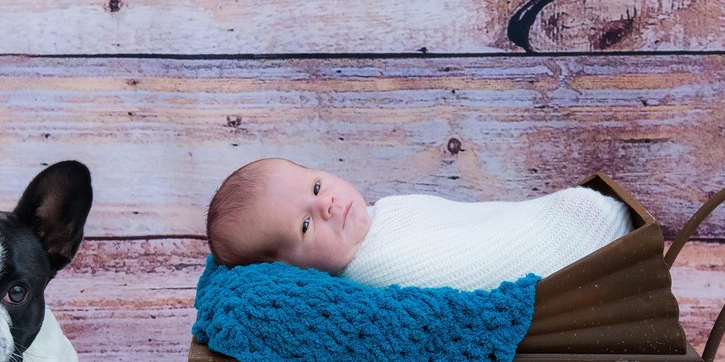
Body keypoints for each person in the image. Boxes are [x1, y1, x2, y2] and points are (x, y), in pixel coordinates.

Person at [205, 157, 633, 290]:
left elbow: (482, 221)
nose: (328, 206)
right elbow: (479, 267)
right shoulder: (375, 271)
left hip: (574, 212)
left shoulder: (383, 213)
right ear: (289, 273)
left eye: (316, 187)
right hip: (595, 250)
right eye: (303, 226)